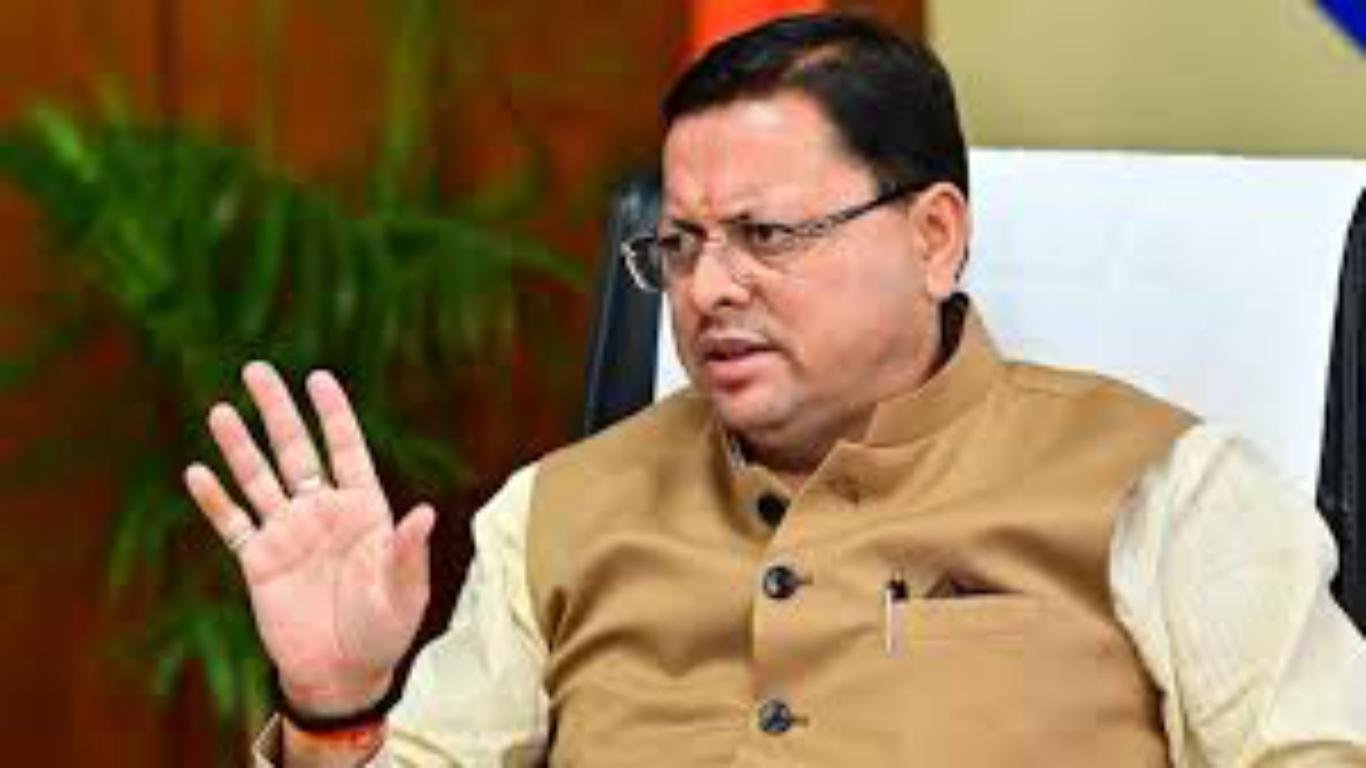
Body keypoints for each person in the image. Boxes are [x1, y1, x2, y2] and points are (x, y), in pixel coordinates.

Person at [184, 12, 1366, 767]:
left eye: (765, 235)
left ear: (935, 238)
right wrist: (335, 709)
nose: (708, 289)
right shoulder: (555, 512)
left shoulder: (1168, 490)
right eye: (682, 244)